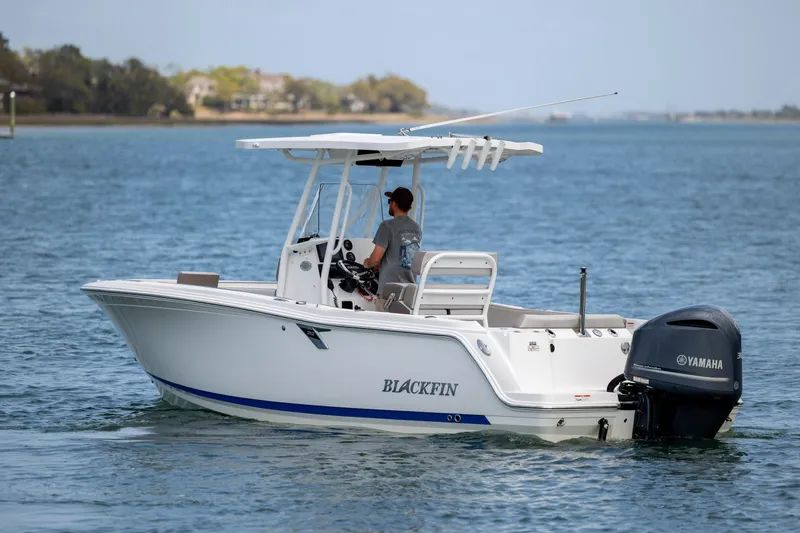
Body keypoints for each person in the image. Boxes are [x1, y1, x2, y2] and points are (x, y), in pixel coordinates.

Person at [363, 186, 422, 311]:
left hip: (389, 292)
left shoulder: (387, 226)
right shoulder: (416, 228)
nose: (389, 204)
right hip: (409, 292)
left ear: (394, 204)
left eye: (390, 202)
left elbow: (375, 258)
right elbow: (405, 253)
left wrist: (366, 263)